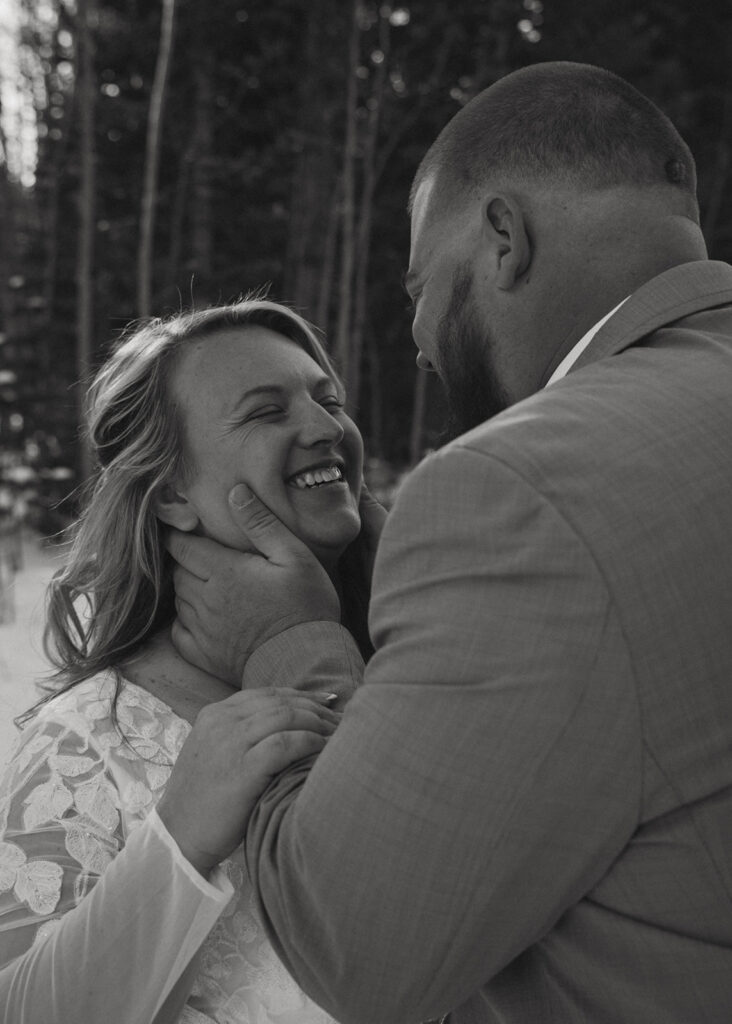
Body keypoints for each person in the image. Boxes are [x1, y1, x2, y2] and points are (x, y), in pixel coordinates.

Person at [165, 62, 732, 1024]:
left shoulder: (520, 492)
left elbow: (355, 948)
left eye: (422, 286)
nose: (422, 343)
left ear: (504, 238)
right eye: (264, 409)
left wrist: (289, 644)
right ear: (168, 496)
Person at [0, 298, 378, 1024]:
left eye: (330, 400)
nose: (328, 427)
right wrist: (178, 837)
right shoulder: (86, 744)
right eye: (267, 412)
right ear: (172, 492)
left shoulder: (414, 667)